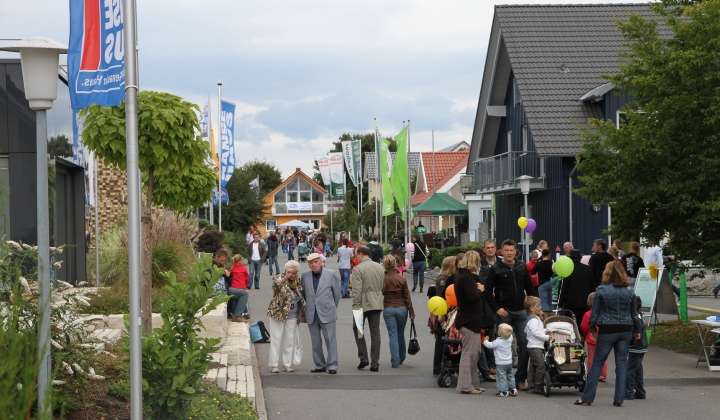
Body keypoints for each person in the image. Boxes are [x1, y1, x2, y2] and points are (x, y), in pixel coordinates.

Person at [575, 261, 643, 407]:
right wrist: (637, 330)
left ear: (606, 272)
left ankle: (587, 398)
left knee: (597, 364)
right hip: (625, 329)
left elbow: (595, 313)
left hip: (607, 330)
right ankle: (619, 399)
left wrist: (593, 329)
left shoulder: (601, 290)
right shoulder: (629, 290)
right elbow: (634, 313)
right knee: (622, 364)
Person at [483, 239, 538, 390]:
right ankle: (504, 379)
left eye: (511, 250)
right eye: (506, 250)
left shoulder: (521, 266)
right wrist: (496, 309)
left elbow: (529, 287)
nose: (509, 253)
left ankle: (520, 379)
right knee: (504, 347)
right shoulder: (496, 268)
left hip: (521, 312)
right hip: (503, 313)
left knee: (524, 344)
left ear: (515, 251)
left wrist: (535, 306)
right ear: (502, 251)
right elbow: (487, 291)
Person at [301, 253, 341, 374]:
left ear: (321, 262)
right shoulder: (304, 275)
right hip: (312, 312)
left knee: (330, 340)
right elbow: (304, 294)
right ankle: (319, 364)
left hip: (327, 310)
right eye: (311, 263)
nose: (313, 265)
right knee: (315, 340)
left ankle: (332, 365)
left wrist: (331, 306)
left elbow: (337, 294)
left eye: (316, 262)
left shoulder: (331, 274)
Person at [454, 251, 487, 394]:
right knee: (469, 354)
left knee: (475, 353)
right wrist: (479, 289)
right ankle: (466, 386)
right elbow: (472, 297)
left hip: (466, 319)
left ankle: (474, 384)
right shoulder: (467, 277)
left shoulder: (460, 275)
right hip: (469, 320)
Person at [351, 245, 386, 371]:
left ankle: (363, 357)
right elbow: (383, 286)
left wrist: (355, 304)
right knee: (375, 332)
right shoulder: (379, 267)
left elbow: (357, 289)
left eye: (356, 254)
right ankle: (375, 362)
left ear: (361, 254)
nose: (356, 257)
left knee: (358, 329)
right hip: (377, 302)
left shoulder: (358, 268)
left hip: (362, 304)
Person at [267, 260, 306, 373]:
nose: (293, 275)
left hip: (293, 314)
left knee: (290, 339)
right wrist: (285, 277)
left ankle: (287, 364)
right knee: (276, 338)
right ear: (286, 270)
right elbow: (276, 286)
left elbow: (301, 298)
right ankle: (274, 365)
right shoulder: (278, 278)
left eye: (295, 273)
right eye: (291, 272)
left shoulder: (297, 281)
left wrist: (300, 316)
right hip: (278, 313)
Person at [382, 256, 415, 368]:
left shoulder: (383, 278)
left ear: (385, 265)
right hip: (402, 308)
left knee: (392, 334)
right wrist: (412, 312)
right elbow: (407, 297)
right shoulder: (402, 279)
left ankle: (394, 361)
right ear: (395, 264)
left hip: (388, 307)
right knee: (400, 333)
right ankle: (402, 357)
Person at [558, 249, 596, 324]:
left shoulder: (568, 270)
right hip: (586, 302)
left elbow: (564, 288)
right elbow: (592, 286)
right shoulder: (588, 269)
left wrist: (560, 304)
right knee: (584, 323)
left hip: (571, 303)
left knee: (572, 324)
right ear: (580, 258)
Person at [524, 296, 551, 394]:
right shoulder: (533, 320)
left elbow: (534, 331)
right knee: (541, 366)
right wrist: (546, 337)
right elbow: (535, 333)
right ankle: (538, 385)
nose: (540, 308)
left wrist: (545, 330)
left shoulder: (535, 319)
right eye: (538, 306)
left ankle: (531, 386)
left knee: (532, 367)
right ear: (532, 308)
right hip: (535, 346)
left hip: (534, 346)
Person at [483, 324, 516, 397]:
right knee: (510, 376)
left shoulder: (498, 342)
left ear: (500, 334)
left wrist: (485, 340)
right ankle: (513, 389)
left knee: (501, 378)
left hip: (501, 363)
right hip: (509, 362)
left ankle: (504, 391)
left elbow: (489, 345)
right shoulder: (510, 338)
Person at [580, 292, 607, 382]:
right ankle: (603, 375)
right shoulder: (604, 313)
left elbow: (584, 326)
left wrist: (585, 333)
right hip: (603, 336)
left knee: (592, 357)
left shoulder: (587, 314)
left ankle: (592, 373)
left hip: (591, 337)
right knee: (603, 356)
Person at [625, 296, 648, 400]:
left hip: (635, 345)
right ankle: (640, 391)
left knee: (630, 370)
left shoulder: (632, 316)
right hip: (642, 345)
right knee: (638, 368)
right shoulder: (640, 315)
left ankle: (628, 391)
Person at [532, 248, 555, 318]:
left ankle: (546, 319)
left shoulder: (539, 263)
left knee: (544, 302)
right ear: (549, 255)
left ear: (542, 254)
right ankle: (553, 318)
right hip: (550, 282)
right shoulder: (551, 262)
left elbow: (533, 271)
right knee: (551, 302)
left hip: (542, 284)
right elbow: (554, 272)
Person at [228, 255, 250, 323]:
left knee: (235, 297)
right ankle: (238, 314)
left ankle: (232, 312)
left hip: (233, 287)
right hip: (241, 287)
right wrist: (245, 286)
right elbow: (246, 279)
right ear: (240, 261)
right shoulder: (244, 268)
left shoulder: (232, 268)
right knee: (243, 294)